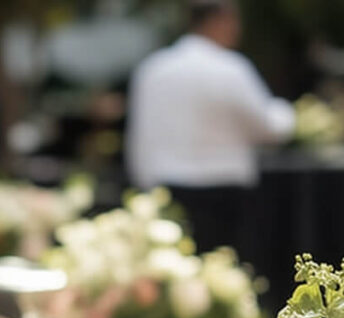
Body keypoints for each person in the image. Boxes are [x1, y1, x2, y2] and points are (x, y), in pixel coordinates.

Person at [125, 0, 294, 255]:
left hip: (164, 190)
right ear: (220, 20)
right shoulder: (231, 69)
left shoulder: (152, 69)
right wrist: (287, 114)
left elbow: (138, 138)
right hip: (224, 196)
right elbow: (269, 128)